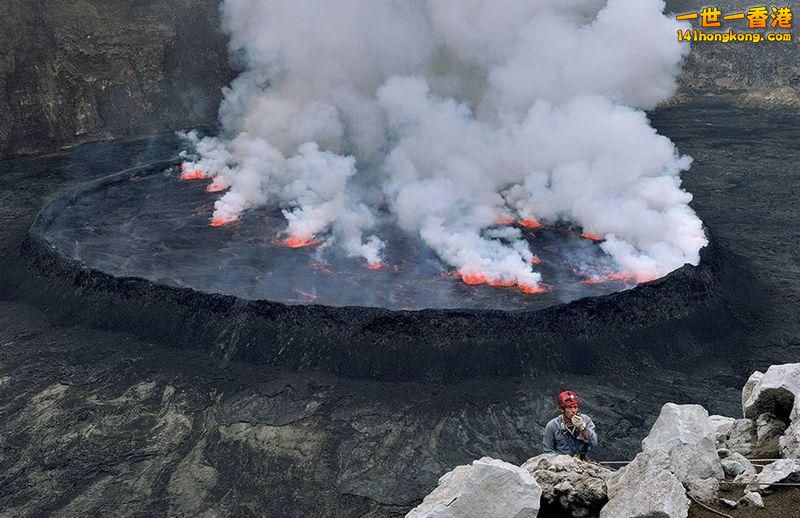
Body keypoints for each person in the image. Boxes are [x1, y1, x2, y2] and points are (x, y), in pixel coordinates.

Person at [542, 390, 598, 459]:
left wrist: (583, 428)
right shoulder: (552, 426)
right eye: (570, 407)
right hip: (562, 463)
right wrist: (562, 460)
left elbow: (594, 443)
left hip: (582, 461)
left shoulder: (585, 420)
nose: (574, 411)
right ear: (562, 409)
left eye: (575, 407)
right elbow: (548, 451)